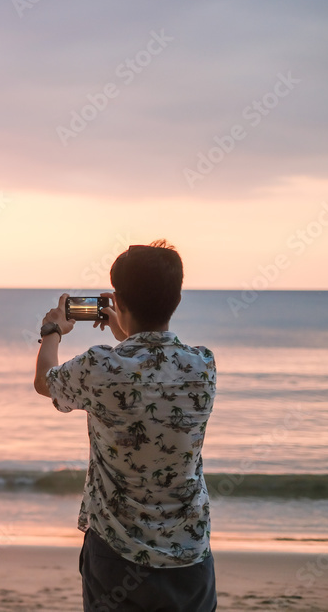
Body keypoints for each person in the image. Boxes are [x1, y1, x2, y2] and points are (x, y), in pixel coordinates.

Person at [33, 240, 217, 611]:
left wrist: (52, 329)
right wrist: (127, 331)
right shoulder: (203, 366)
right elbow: (153, 362)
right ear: (177, 298)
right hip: (189, 552)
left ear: (117, 299)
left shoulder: (100, 368)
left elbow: (45, 380)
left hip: (117, 552)